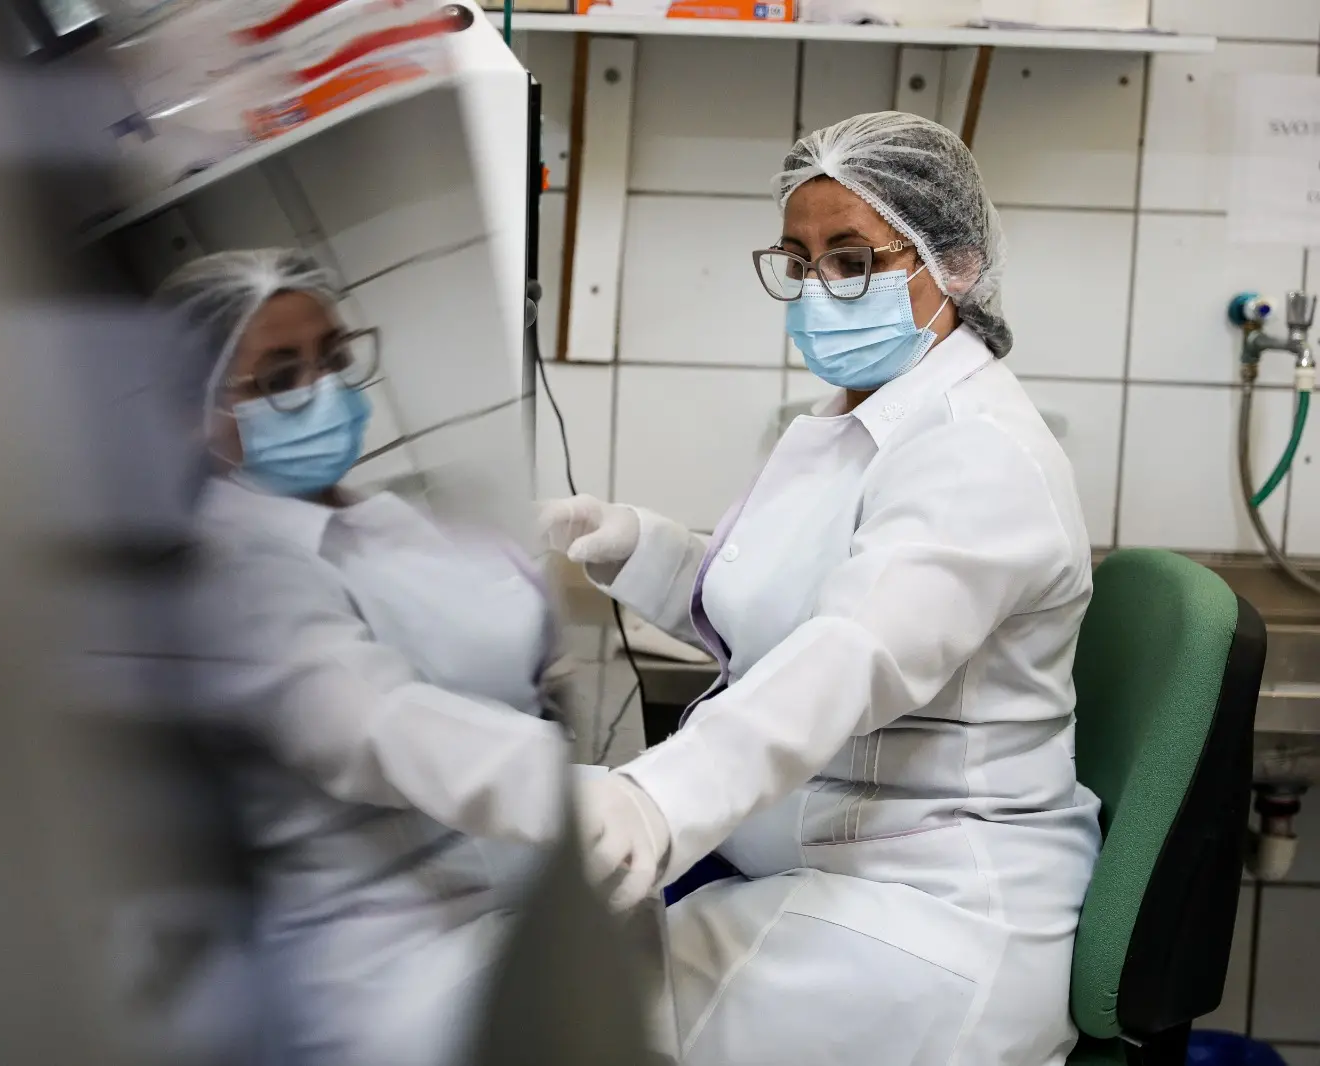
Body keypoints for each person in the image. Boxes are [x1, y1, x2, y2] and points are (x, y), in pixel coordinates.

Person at [544, 112, 1102, 1066]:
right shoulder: (858, 418)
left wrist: (652, 804)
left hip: (925, 919)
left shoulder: (977, 453)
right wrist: (638, 548)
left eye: (854, 259)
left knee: (565, 1012)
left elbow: (847, 658)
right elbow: (787, 611)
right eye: (800, 263)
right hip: (817, 867)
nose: (820, 290)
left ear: (956, 264)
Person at [157, 248, 572, 1066]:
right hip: (400, 970)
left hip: (515, 909)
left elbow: (493, 635)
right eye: (278, 378)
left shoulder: (378, 517)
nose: (323, 391)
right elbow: (371, 720)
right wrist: (584, 792)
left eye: (333, 358)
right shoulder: (228, 567)